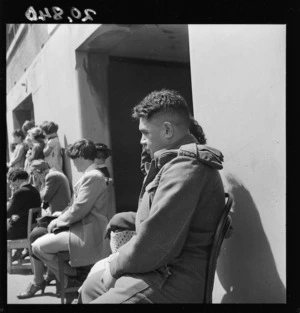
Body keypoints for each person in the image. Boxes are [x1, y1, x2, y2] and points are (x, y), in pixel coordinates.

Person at [78, 89, 225, 303]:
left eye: (145, 133)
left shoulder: (186, 168)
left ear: (167, 130)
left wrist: (115, 265)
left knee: (100, 285)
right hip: (160, 270)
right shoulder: (172, 163)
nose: (141, 141)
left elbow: (154, 244)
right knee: (91, 287)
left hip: (174, 279)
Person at [31, 139, 112, 297]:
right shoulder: (91, 175)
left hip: (88, 231)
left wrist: (57, 221)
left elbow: (79, 209)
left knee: (38, 246)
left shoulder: (93, 176)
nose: (73, 163)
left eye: (74, 159)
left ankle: (71, 277)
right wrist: (60, 215)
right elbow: (78, 207)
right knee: (38, 243)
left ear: (81, 156)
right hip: (82, 227)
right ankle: (72, 277)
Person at [17, 160, 71, 299]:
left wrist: (38, 183)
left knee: (33, 236)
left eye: (33, 173)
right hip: (56, 218)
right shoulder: (53, 174)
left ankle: (38, 281)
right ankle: (50, 274)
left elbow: (43, 197)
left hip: (59, 220)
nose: (32, 177)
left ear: (39, 171)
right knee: (36, 233)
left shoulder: (50, 177)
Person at [7, 169, 41, 261]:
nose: (11, 184)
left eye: (12, 181)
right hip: (29, 227)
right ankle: (16, 254)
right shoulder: (34, 190)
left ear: (18, 180)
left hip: (19, 230)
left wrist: (12, 217)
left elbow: (8, 212)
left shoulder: (20, 192)